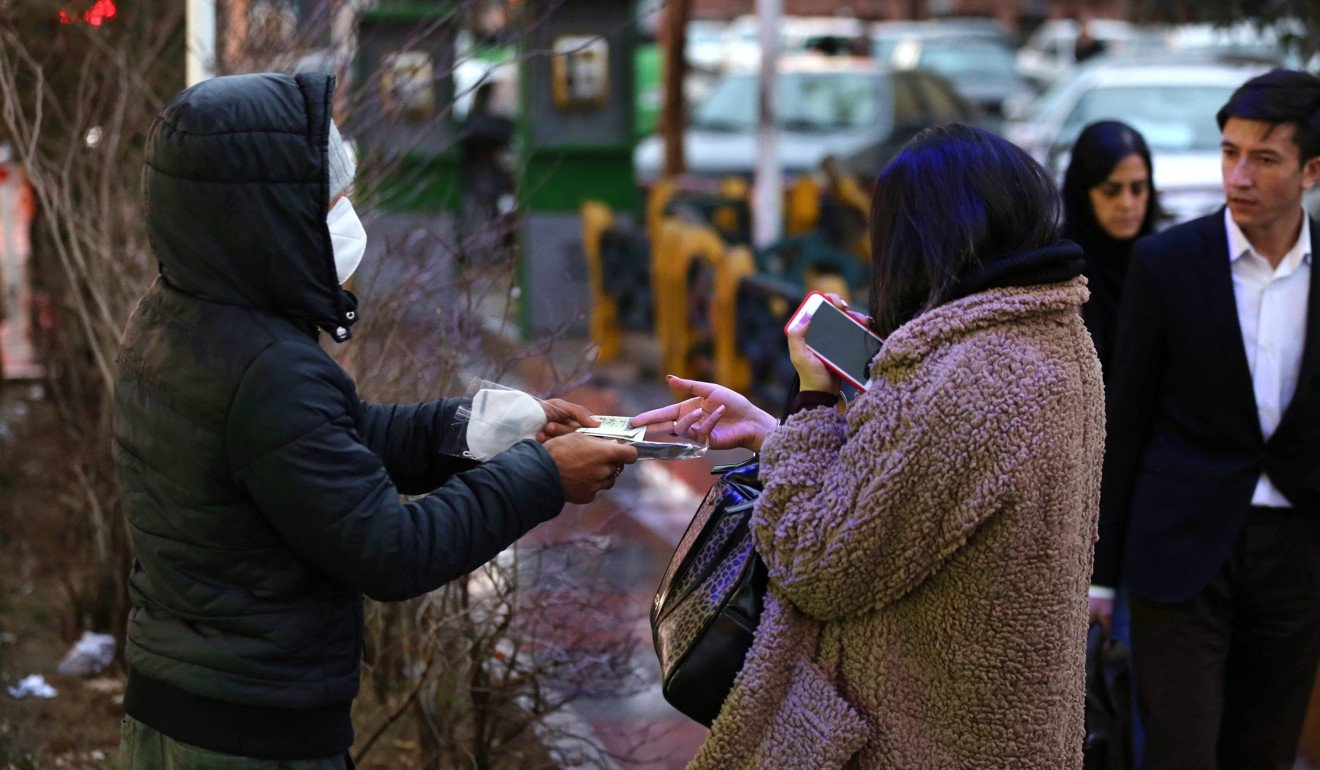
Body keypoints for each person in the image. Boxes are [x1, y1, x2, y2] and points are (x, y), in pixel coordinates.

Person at [112, 73, 636, 767]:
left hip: (182, 709)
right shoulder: (267, 369)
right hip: (252, 739)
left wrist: (477, 429)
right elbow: (391, 550)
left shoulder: (182, 317)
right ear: (269, 215)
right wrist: (541, 477)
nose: (350, 215)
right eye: (332, 200)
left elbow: (333, 442)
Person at [633, 123, 1104, 768]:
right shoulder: (1056, 342)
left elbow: (813, 560)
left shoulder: (958, 379)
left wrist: (813, 399)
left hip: (922, 738)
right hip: (1001, 728)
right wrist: (777, 437)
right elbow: (914, 501)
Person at [1091, 69, 1320, 770]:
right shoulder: (1169, 263)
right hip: (1181, 545)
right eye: (1229, 153)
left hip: (1297, 551)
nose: (1239, 175)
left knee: (1265, 749)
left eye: (1264, 158)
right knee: (1180, 749)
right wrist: (1101, 577)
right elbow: (1125, 421)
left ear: (1312, 171)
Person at [1062, 120, 1163, 380]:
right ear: (1084, 192)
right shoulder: (1061, 267)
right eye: (1111, 191)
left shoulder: (1166, 261)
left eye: (1138, 188)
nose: (1127, 204)